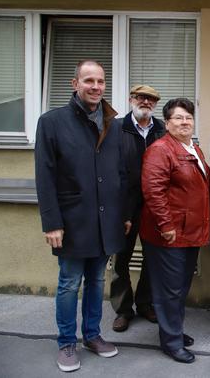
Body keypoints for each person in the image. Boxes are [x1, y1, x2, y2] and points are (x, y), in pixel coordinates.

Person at [35, 60, 126, 372]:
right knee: (69, 283)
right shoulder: (52, 122)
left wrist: (123, 215)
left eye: (100, 81)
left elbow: (120, 173)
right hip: (72, 221)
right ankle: (66, 343)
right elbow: (44, 177)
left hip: (105, 222)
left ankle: (92, 335)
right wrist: (52, 222)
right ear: (75, 84)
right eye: (89, 80)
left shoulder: (113, 123)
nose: (96, 87)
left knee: (97, 280)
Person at [140, 98, 210, 364]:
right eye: (178, 118)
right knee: (169, 289)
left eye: (188, 118)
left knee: (180, 287)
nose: (185, 122)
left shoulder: (194, 149)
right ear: (167, 123)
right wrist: (166, 225)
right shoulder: (160, 150)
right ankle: (171, 342)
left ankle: (175, 331)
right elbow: (153, 191)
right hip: (169, 234)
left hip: (189, 231)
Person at [110, 84, 165, 332]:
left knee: (153, 258)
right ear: (131, 99)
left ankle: (145, 303)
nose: (146, 102)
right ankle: (123, 309)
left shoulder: (162, 130)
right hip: (125, 205)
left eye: (151, 100)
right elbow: (111, 172)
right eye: (141, 98)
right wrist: (121, 212)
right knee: (121, 259)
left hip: (153, 205)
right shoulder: (116, 128)